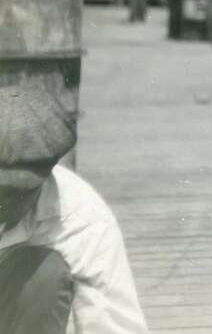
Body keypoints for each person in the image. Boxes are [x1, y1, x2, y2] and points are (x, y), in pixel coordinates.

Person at [0, 87, 149, 334]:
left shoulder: (84, 220)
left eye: (18, 192)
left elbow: (113, 326)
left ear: (46, 175)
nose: (4, 202)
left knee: (44, 277)